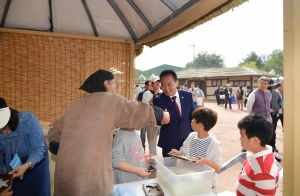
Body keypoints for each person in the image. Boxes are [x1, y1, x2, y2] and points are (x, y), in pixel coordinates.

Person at [48, 69, 156, 196]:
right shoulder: (110, 100)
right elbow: (137, 112)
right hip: (90, 174)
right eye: (114, 83)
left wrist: (72, 150)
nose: (115, 87)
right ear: (106, 84)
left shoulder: (75, 105)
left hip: (64, 172)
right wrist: (161, 114)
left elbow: (53, 134)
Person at [0, 97, 51, 196]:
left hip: (36, 159)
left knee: (37, 190)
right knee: (16, 190)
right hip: (14, 161)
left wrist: (26, 165)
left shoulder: (28, 120)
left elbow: (37, 149)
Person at [170, 108, 222, 194]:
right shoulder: (191, 136)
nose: (191, 121)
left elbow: (217, 168)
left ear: (200, 125)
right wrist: (178, 153)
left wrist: (206, 162)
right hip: (189, 179)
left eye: (194, 119)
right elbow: (183, 151)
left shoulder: (215, 145)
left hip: (204, 185)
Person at [236, 114, 281, 196]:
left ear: (255, 141)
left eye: (242, 136)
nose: (240, 139)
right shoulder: (253, 153)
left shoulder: (263, 171)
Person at [153, 70, 194, 157]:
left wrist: (195, 136)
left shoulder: (187, 95)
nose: (166, 88)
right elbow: (157, 121)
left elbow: (192, 116)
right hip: (169, 142)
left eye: (169, 84)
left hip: (188, 140)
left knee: (188, 168)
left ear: (176, 83)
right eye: (163, 85)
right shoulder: (158, 100)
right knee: (170, 169)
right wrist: (162, 121)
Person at [246, 77, 281, 162]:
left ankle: (270, 156)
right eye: (262, 83)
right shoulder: (254, 94)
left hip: (268, 120)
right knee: (258, 139)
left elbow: (267, 106)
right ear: (258, 84)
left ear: (268, 85)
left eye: (265, 84)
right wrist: (253, 117)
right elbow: (249, 107)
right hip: (258, 121)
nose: (263, 85)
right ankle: (256, 157)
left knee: (269, 138)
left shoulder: (269, 94)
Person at [142, 76, 163, 156]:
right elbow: (144, 107)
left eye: (159, 82)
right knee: (152, 143)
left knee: (166, 142)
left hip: (162, 122)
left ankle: (167, 162)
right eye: (156, 82)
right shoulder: (147, 94)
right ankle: (153, 163)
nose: (158, 83)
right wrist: (153, 98)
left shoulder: (163, 93)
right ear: (152, 84)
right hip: (151, 122)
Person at [136, 80, 152, 150]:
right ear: (146, 86)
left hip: (151, 116)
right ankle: (142, 146)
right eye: (150, 85)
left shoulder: (154, 93)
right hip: (143, 116)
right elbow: (139, 104)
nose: (151, 86)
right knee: (143, 132)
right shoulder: (141, 94)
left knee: (151, 132)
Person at [268, 79, 282, 153]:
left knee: (273, 131)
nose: (270, 85)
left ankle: (273, 147)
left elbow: (280, 101)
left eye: (271, 84)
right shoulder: (260, 93)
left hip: (273, 115)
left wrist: (276, 108)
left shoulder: (275, 93)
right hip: (263, 116)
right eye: (268, 84)